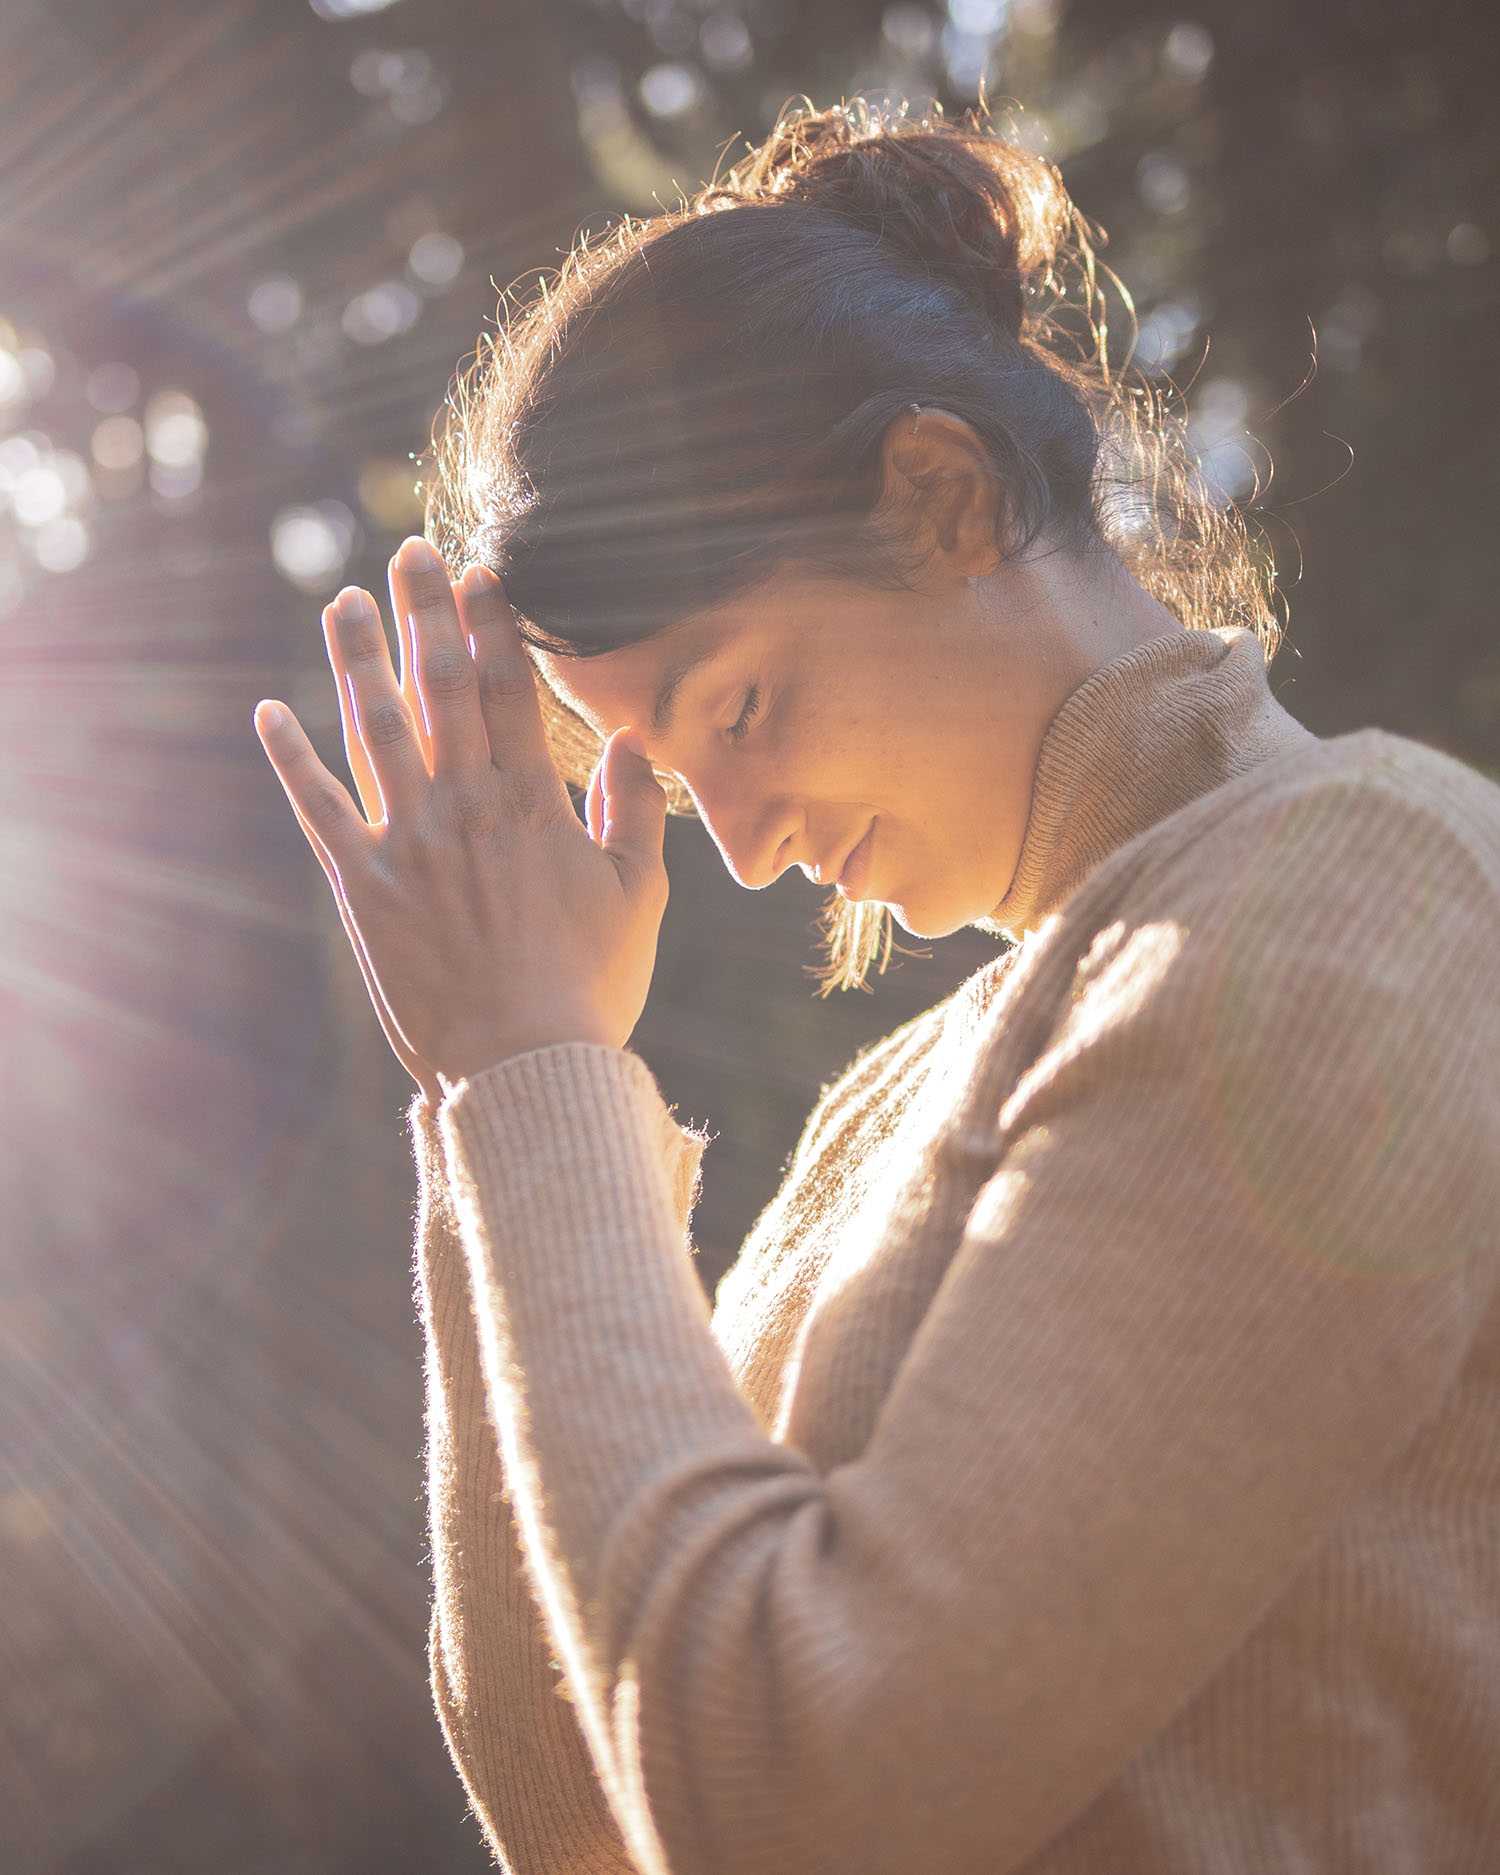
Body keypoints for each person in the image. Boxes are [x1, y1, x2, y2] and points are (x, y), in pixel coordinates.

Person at [404, 97, 1499, 1873]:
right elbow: (586, 1822)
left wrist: (533, 1067)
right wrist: (506, 1088)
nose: (739, 851)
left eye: (737, 710)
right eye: (675, 780)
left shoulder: (1354, 898)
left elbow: (798, 1807)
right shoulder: (895, 1113)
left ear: (942, 498)